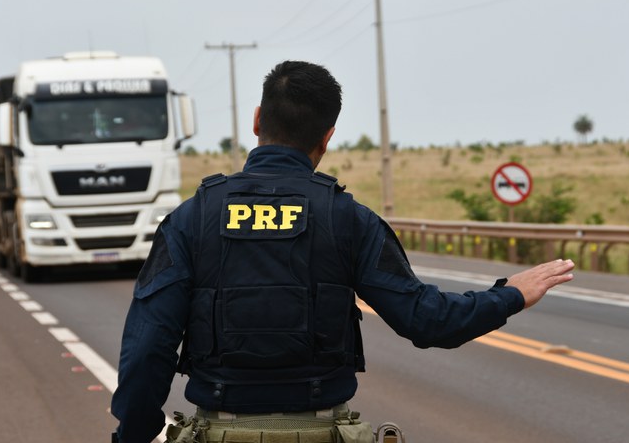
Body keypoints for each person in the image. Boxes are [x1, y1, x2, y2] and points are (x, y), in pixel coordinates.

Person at [111, 60, 575, 443]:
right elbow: (428, 321)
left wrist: (132, 436)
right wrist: (511, 294)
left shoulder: (192, 219)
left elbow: (148, 348)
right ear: (328, 136)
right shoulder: (348, 219)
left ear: (257, 120)